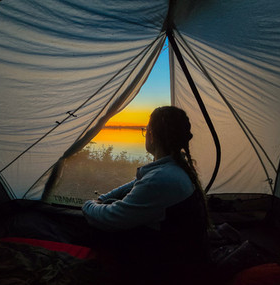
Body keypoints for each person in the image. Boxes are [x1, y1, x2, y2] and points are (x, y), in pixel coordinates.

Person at [82, 106, 211, 273]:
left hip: (169, 267)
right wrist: (103, 199)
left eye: (146, 129)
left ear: (152, 135)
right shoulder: (176, 167)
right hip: (179, 252)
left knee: (97, 225)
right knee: (111, 202)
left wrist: (88, 205)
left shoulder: (162, 179)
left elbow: (111, 218)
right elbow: (136, 183)